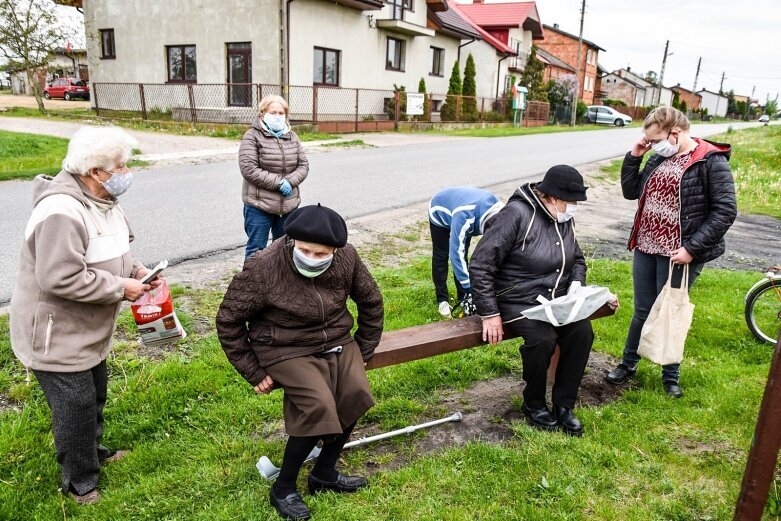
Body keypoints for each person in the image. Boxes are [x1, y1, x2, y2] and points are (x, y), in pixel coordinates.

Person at [9, 126, 161, 505]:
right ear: (95, 171)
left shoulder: (104, 200)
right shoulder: (60, 210)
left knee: (94, 396)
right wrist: (120, 288)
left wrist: (138, 271)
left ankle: (92, 454)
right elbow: (60, 276)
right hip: (55, 335)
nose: (127, 171)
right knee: (74, 408)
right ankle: (79, 482)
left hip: (87, 330)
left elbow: (115, 251)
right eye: (120, 165)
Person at [216, 204, 384, 521]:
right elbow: (228, 321)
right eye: (305, 250)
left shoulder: (348, 256)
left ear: (336, 249)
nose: (312, 258)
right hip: (282, 345)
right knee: (318, 405)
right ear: (292, 240)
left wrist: (363, 348)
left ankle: (324, 473)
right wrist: (252, 371)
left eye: (322, 254)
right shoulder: (263, 267)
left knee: (356, 394)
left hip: (336, 339)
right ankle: (283, 487)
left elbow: (371, 301)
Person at [605, 107, 737, 397]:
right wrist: (635, 156)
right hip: (646, 245)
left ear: (675, 133)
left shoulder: (710, 161)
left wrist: (691, 249)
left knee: (670, 311)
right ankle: (628, 364)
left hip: (679, 253)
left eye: (654, 141)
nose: (652, 145)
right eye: (649, 142)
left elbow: (725, 211)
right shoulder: (658, 157)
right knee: (642, 309)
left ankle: (670, 377)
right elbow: (632, 192)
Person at [469, 166, 594, 436]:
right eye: (569, 202)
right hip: (517, 299)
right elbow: (480, 265)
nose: (573, 208)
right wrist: (489, 313)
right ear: (551, 198)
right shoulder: (515, 214)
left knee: (581, 332)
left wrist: (576, 283)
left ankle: (564, 405)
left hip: (555, 300)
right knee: (542, 340)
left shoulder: (563, 219)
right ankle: (534, 402)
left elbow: (578, 259)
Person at [239, 94, 309, 259]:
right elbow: (249, 168)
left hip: (288, 206)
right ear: (263, 114)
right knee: (256, 251)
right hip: (259, 205)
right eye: (273, 112)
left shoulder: (292, 137)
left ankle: (278, 284)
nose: (277, 116)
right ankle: (252, 284)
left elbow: (303, 165)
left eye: (280, 113)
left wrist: (290, 182)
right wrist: (278, 183)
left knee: (284, 250)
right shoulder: (252, 136)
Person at [428, 187, 504, 317]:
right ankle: (442, 299)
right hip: (440, 209)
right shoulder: (464, 218)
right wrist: (470, 287)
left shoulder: (504, 212)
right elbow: (455, 254)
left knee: (464, 255)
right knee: (442, 255)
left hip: (468, 210)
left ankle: (462, 297)